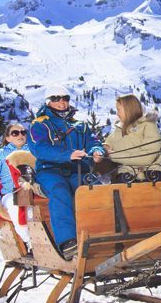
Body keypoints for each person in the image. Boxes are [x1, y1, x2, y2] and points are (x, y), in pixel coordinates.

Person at [28, 85, 104, 258]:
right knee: (59, 190)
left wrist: (97, 152)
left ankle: (103, 233)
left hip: (78, 170)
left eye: (65, 98)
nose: (61, 102)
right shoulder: (40, 124)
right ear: (48, 102)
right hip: (50, 171)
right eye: (56, 99)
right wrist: (67, 154)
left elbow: (93, 142)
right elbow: (40, 149)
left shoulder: (80, 125)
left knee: (95, 189)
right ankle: (68, 242)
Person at [103, 94, 161, 182]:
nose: (117, 113)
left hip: (149, 174)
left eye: (119, 109)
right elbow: (107, 144)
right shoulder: (118, 129)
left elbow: (147, 158)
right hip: (125, 174)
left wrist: (111, 155)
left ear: (128, 109)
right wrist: (104, 149)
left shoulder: (148, 125)